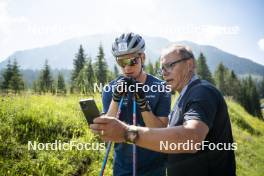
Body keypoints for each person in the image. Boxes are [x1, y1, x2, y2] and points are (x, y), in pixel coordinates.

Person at [91, 44, 236, 176]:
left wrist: (126, 133)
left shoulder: (202, 92)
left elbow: (191, 139)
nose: (164, 73)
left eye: (170, 65)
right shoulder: (184, 97)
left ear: (190, 64)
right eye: (162, 68)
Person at [101, 32, 171, 176]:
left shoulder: (161, 87)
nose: (127, 68)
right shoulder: (110, 89)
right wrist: (115, 99)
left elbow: (161, 132)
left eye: (132, 61)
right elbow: (106, 134)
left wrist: (142, 103)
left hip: (154, 168)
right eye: (122, 62)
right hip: (122, 167)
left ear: (142, 58)